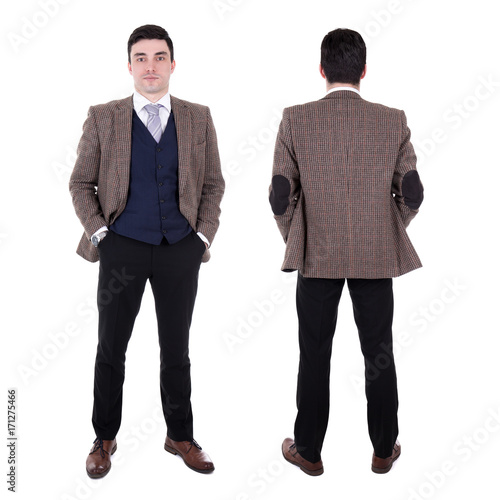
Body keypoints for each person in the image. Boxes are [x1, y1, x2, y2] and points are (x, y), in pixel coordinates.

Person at [69, 24, 225, 478]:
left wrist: (202, 237)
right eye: (141, 57)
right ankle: (103, 437)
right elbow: (81, 182)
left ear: (172, 64)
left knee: (176, 349)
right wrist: (101, 234)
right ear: (130, 65)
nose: (150, 66)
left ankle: (180, 435)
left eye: (159, 57)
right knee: (110, 347)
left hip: (181, 248)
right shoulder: (104, 116)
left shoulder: (198, 117)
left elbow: (213, 183)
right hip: (122, 248)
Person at [269, 28, 423, 476]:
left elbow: (280, 195)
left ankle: (309, 452)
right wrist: (386, 228)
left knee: (314, 352)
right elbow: (412, 192)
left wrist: (298, 236)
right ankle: (382, 449)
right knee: (379, 352)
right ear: (364, 70)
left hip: (317, 255)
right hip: (375, 255)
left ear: (321, 69)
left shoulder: (295, 119)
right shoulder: (392, 120)